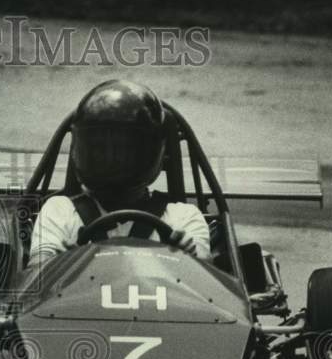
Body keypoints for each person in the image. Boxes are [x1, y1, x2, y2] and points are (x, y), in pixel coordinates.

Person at [28, 79, 211, 267]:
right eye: (100, 148)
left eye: (125, 148)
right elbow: (36, 276)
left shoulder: (183, 218)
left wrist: (191, 261)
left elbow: (207, 288)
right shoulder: (60, 211)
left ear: (152, 152)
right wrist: (57, 266)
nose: (112, 158)